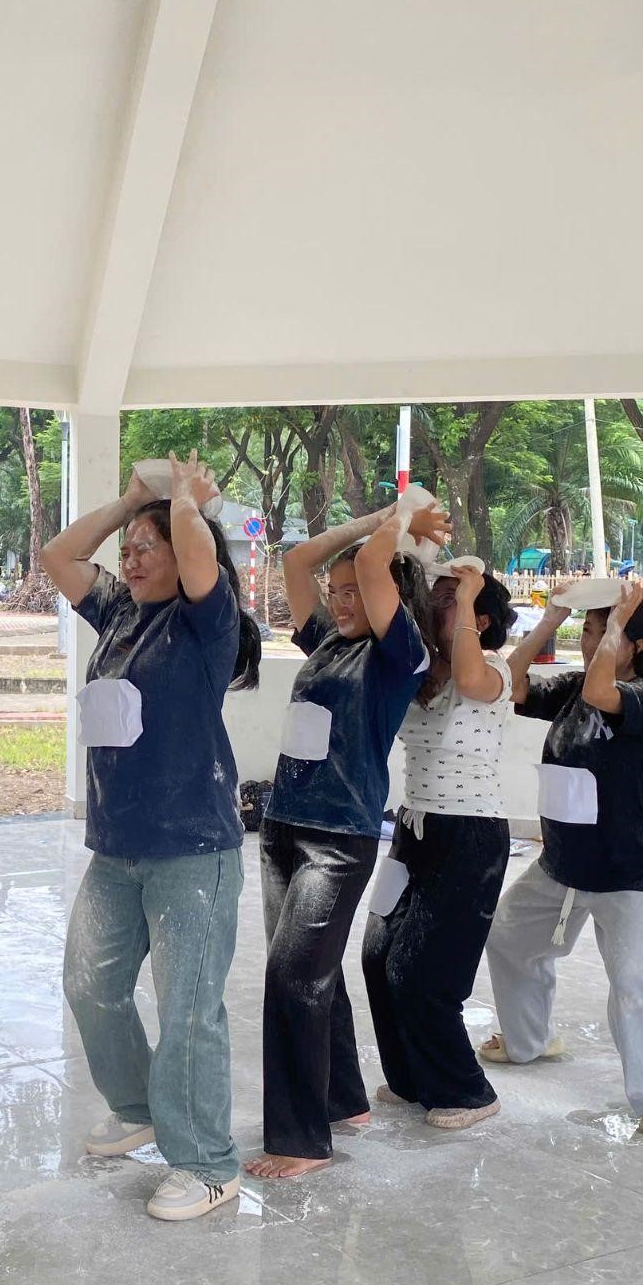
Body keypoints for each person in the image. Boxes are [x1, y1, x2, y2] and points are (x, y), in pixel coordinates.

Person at [42, 452, 262, 1221]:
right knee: (90, 984)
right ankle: (138, 1105)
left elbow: (203, 561)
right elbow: (58, 556)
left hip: (192, 851)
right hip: (118, 847)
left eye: (146, 545)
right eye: (127, 548)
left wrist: (187, 509)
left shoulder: (205, 623)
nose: (128, 558)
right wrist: (132, 499)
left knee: (188, 1010)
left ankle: (206, 1162)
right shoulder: (119, 611)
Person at [245, 501, 442, 1179]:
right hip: (283, 828)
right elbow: (298, 561)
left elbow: (369, 565)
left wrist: (400, 524)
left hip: (338, 838)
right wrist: (378, 518)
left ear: (391, 592)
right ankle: (342, 1099)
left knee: (291, 976)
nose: (341, 598)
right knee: (308, 972)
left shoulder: (400, 655)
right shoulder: (330, 641)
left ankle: (300, 1140)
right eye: (337, 594)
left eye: (356, 590)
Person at [479, 582, 643, 1137]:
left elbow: (606, 689)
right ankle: (529, 1038)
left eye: (604, 633)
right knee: (508, 936)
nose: (590, 642)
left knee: (630, 981)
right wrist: (551, 620)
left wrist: (612, 626)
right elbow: (508, 687)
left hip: (626, 868)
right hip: (562, 863)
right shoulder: (573, 689)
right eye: (587, 631)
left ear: (634, 646)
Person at [362, 561, 516, 1130]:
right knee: (379, 956)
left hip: (469, 835)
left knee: (423, 972)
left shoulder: (492, 670)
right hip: (413, 828)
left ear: (479, 619)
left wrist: (470, 587)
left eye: (448, 601)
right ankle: (410, 1078)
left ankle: (467, 1092)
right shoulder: (421, 674)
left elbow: (472, 678)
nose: (435, 605)